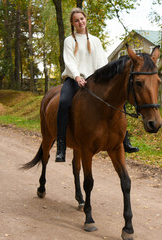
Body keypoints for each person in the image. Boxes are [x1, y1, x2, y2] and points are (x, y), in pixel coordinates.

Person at [56, 8, 138, 162]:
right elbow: (69, 61)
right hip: (75, 80)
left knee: (120, 100)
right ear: (72, 24)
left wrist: (106, 79)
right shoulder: (69, 40)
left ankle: (125, 140)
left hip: (95, 81)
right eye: (76, 20)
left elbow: (102, 62)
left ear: (85, 19)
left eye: (82, 19)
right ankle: (61, 146)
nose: (80, 22)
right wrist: (77, 76)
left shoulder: (95, 40)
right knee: (64, 102)